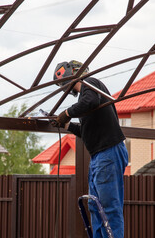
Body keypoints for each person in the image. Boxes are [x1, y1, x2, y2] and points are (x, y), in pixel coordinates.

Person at [52, 60, 128, 238]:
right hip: (99, 156)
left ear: (73, 73)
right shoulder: (85, 101)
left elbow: (90, 101)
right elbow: (85, 131)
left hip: (109, 152)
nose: (64, 87)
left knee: (109, 206)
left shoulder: (90, 84)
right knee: (95, 206)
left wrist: (67, 113)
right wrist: (67, 125)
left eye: (63, 82)